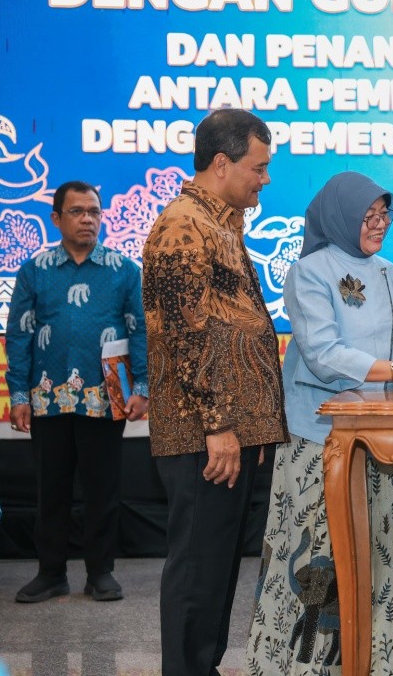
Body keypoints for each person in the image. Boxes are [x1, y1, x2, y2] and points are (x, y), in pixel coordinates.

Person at [246, 172, 393, 676]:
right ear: (340, 216)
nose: (379, 224)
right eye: (368, 215)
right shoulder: (310, 272)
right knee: (317, 554)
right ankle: (303, 664)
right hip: (322, 436)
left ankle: (385, 658)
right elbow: (321, 354)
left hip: (384, 435)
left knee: (387, 547)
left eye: (385, 214)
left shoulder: (388, 271)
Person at [142, 108, 289, 675]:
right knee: (198, 571)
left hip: (228, 433)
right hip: (206, 436)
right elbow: (187, 333)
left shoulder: (221, 224)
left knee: (217, 570)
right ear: (222, 163)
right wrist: (219, 425)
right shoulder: (184, 227)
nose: (266, 178)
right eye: (259, 166)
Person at [7, 180, 149, 604]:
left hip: (104, 398)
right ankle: (50, 573)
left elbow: (138, 330)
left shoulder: (124, 271)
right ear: (57, 218)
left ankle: (100, 573)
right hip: (48, 399)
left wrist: (140, 385)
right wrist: (18, 395)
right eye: (77, 211)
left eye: (94, 211)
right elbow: (19, 335)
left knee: (102, 488)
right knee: (51, 489)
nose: (88, 218)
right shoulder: (35, 270)